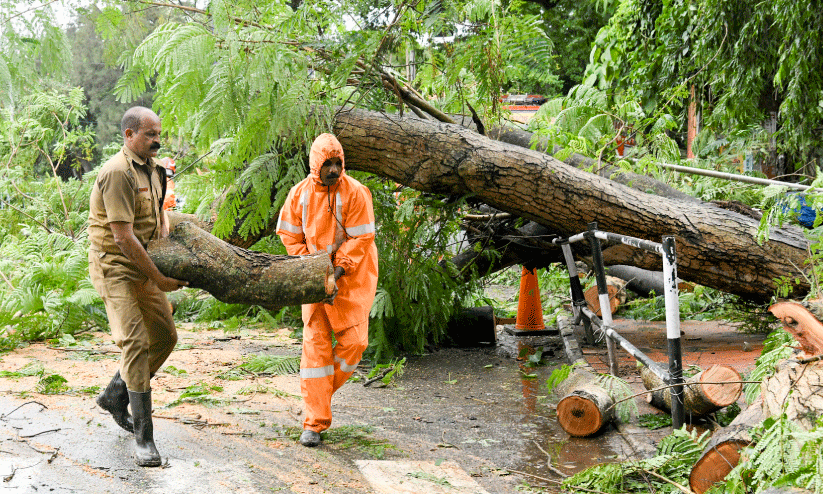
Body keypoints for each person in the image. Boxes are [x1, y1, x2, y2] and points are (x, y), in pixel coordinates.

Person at [88, 106, 187, 467]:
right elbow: (124, 238)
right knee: (135, 342)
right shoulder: (117, 173)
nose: (157, 140)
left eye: (158, 133)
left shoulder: (155, 170)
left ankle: (116, 393)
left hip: (143, 265)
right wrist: (160, 278)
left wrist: (166, 238)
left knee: (165, 337)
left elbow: (160, 210)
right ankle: (144, 438)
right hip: (115, 268)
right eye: (149, 134)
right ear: (129, 135)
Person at [276, 133, 379, 447]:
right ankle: (314, 422)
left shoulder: (357, 193)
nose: (334, 170)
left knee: (356, 344)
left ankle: (317, 396)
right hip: (314, 281)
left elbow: (361, 239)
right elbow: (289, 236)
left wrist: (335, 272)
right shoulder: (299, 194)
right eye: (327, 164)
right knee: (316, 349)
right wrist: (311, 270)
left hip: (352, 277)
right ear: (315, 164)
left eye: (338, 163)